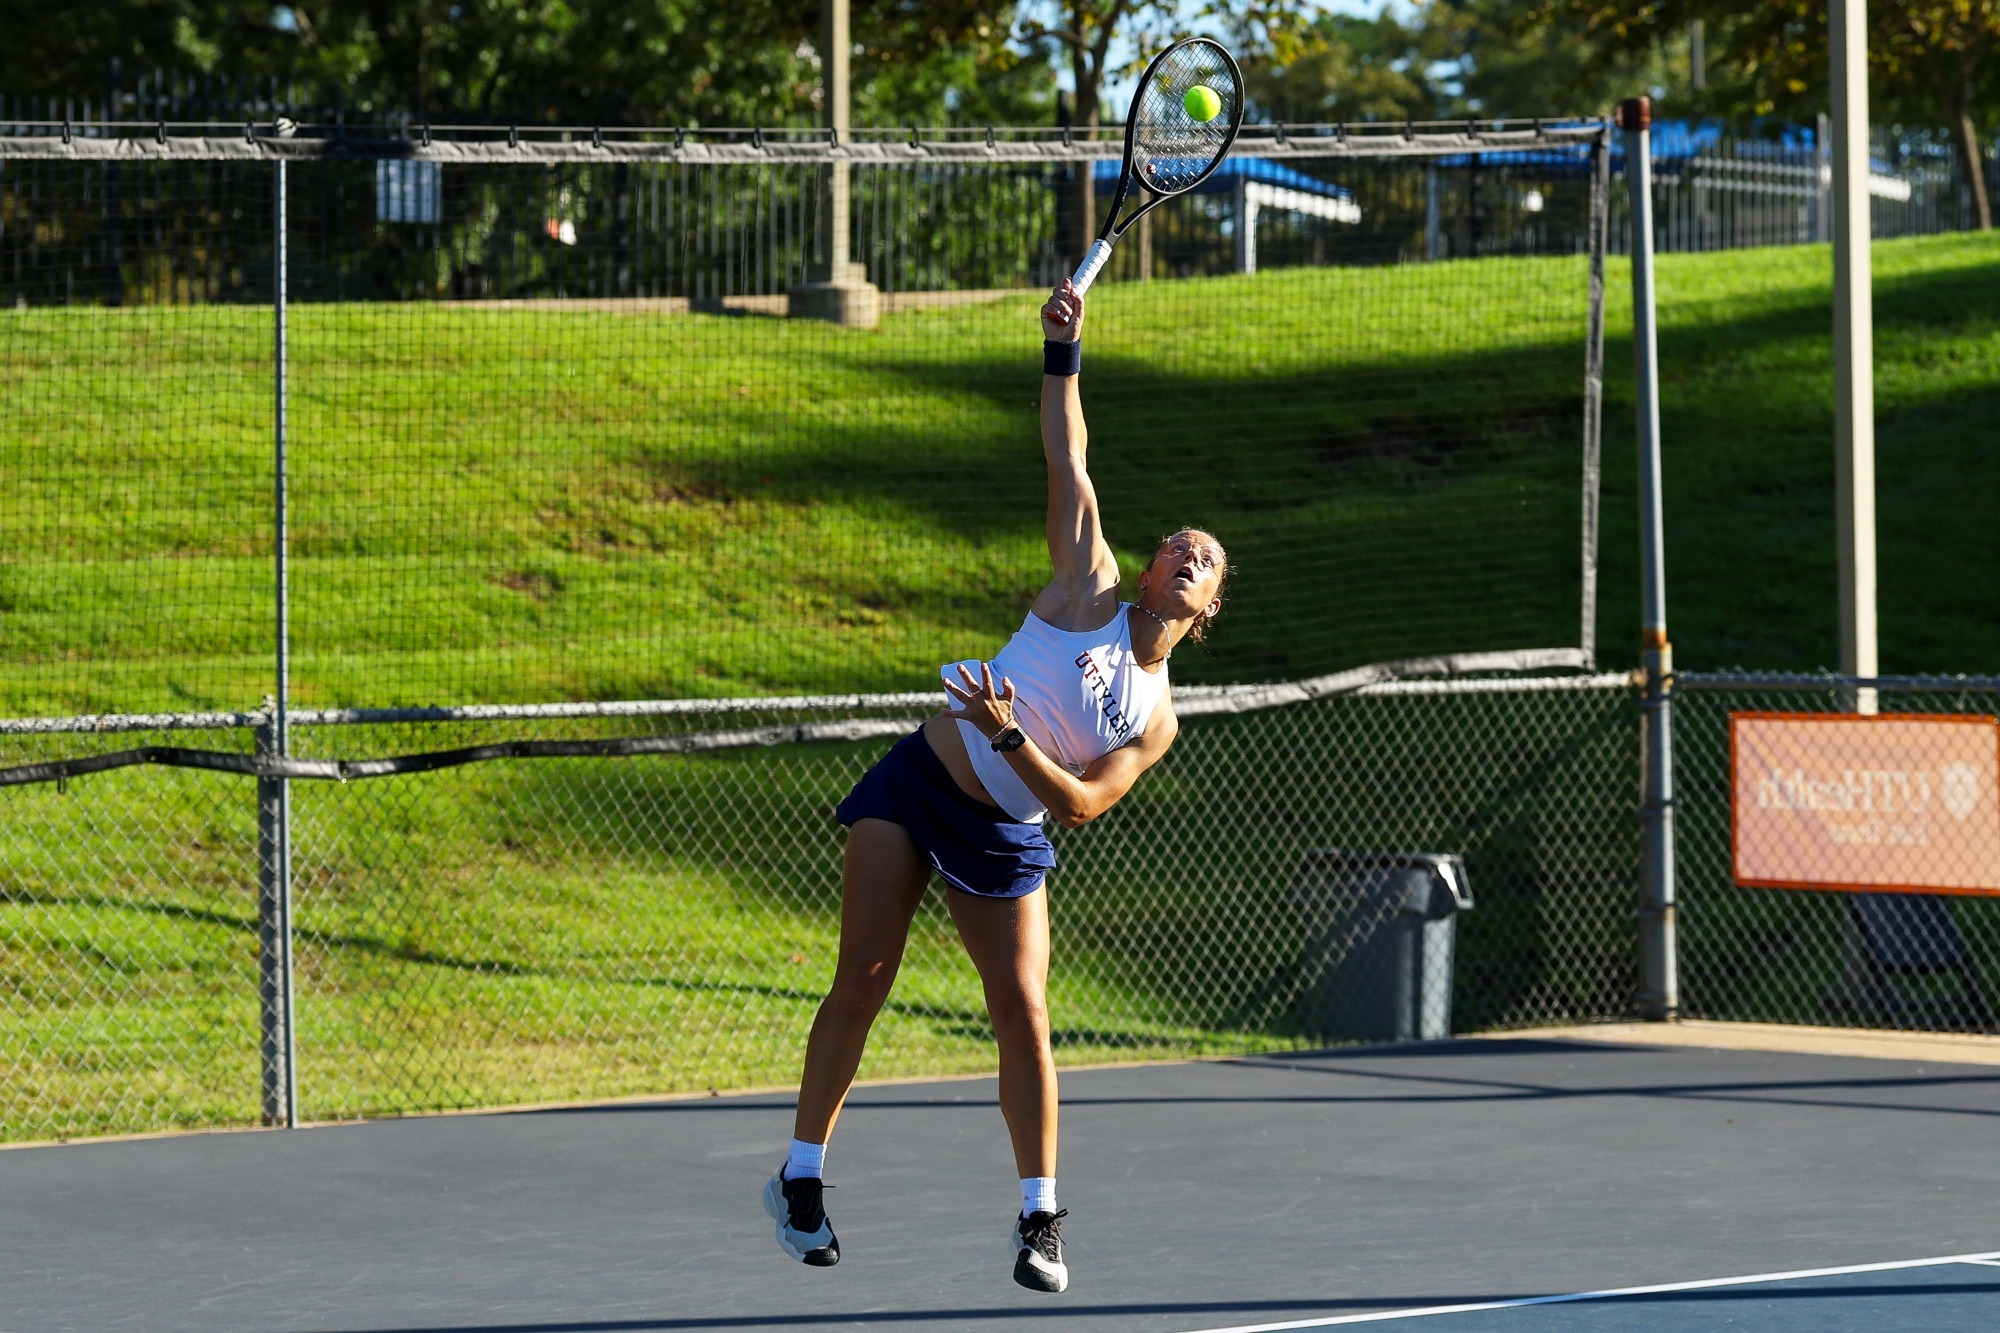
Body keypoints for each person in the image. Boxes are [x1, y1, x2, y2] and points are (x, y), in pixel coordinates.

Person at [763, 278, 1228, 1293]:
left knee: (1022, 1010)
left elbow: (1079, 804)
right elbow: (1067, 455)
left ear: (1208, 606)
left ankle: (1039, 1219)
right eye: (1175, 544)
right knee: (864, 976)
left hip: (1005, 825)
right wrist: (1063, 349)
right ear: (1149, 571)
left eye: (1204, 556)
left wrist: (1010, 735)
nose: (1186, 550)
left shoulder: (1155, 720)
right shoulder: (1086, 584)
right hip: (919, 782)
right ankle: (799, 1176)